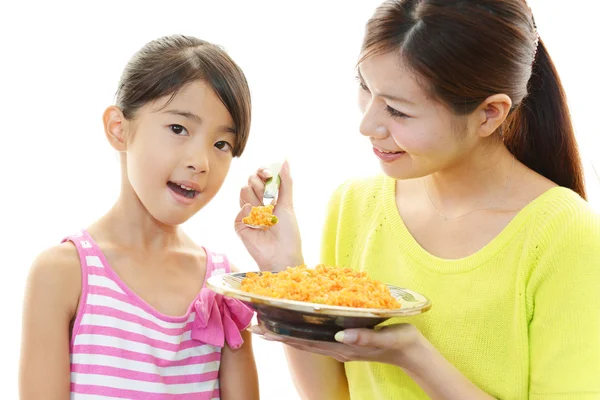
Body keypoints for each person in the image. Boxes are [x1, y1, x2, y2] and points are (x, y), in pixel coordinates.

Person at [235, 1, 600, 399]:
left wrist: (415, 356)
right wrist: (285, 270)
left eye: (397, 110)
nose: (367, 125)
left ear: (489, 114)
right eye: (365, 88)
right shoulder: (355, 206)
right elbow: (331, 395)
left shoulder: (564, 234)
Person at [19, 34, 259, 400]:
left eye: (221, 144)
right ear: (119, 128)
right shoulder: (63, 274)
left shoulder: (224, 287)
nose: (201, 162)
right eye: (179, 129)